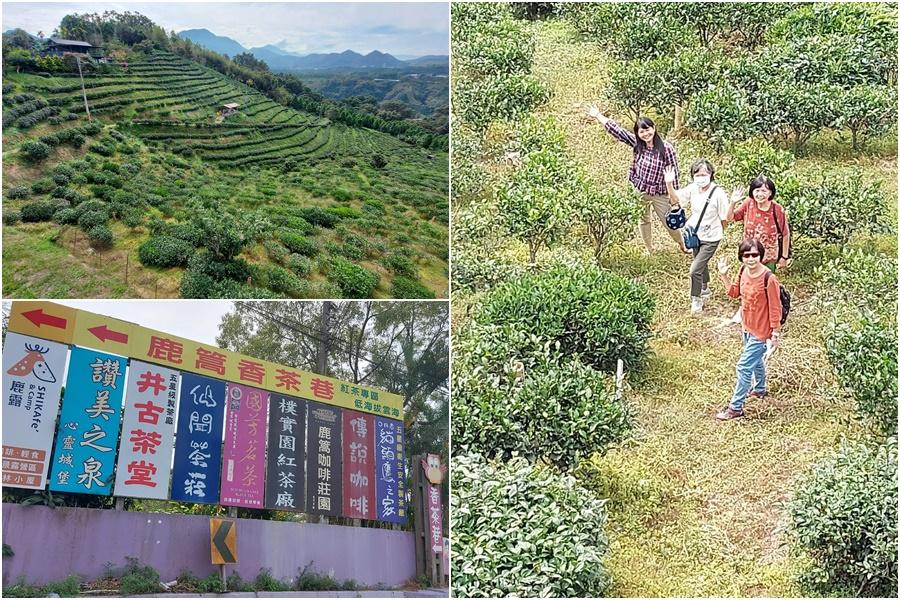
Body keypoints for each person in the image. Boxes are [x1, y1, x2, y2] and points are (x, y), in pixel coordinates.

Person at [586, 105, 688, 254]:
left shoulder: (666, 149)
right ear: (638, 133)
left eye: (648, 129)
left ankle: (682, 244)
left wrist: (673, 196)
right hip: (640, 189)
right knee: (644, 220)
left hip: (660, 192)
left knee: (669, 221)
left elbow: (673, 173)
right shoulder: (637, 144)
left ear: (654, 128)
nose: (646, 134)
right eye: (642, 131)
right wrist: (598, 115)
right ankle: (649, 249)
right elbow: (618, 131)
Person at [715, 239, 783, 421]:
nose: (751, 259)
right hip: (747, 326)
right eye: (747, 255)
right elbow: (733, 293)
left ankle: (735, 407)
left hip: (762, 332)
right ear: (741, 258)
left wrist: (775, 332)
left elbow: (775, 307)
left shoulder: (769, 278)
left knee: (744, 367)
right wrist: (723, 275)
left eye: (755, 255)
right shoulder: (743, 271)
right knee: (756, 361)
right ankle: (759, 388)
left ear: (761, 256)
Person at [663, 159, 733, 313]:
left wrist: (719, 232)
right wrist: (669, 183)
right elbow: (675, 200)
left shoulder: (718, 193)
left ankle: (696, 298)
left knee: (695, 269)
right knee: (701, 262)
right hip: (694, 234)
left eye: (704, 174)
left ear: (711, 174)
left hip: (711, 237)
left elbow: (725, 218)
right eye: (697, 174)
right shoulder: (693, 188)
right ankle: (705, 288)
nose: (701, 177)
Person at [726, 175, 791, 323]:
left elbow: (785, 234)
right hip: (749, 254)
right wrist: (733, 202)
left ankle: (766, 313)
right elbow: (730, 218)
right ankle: (745, 310)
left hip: (768, 256)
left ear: (770, 193)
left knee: (762, 285)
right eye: (757, 190)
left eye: (764, 191)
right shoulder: (749, 204)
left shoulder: (777, 209)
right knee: (747, 283)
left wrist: (784, 257)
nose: (760, 194)